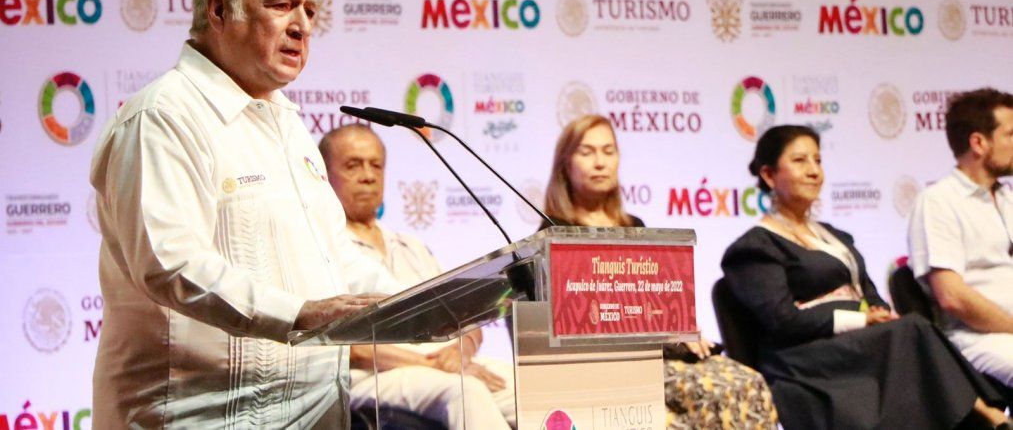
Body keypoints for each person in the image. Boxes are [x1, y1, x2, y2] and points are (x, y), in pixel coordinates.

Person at [89, 0, 403, 429]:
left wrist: (432, 299)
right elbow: (170, 263)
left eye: (310, 11)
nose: (301, 26)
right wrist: (298, 314)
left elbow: (331, 256)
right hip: (199, 417)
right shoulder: (163, 116)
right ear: (218, 9)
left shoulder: (286, 123)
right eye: (281, 5)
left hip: (311, 414)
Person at [722, 124, 1009, 429]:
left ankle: (980, 415)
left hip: (858, 346)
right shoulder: (755, 247)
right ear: (769, 175)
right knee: (911, 330)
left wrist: (878, 311)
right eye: (800, 161)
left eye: (818, 160)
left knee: (905, 332)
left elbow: (866, 290)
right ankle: (986, 414)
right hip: (804, 360)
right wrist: (859, 320)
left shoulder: (833, 236)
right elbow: (782, 320)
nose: (814, 171)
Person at [540, 114, 779, 430]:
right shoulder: (554, 233)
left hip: (659, 354)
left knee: (748, 382)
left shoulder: (634, 226)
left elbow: (658, 300)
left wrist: (681, 327)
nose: (600, 162)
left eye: (608, 151)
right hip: (601, 364)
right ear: (565, 164)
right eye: (587, 152)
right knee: (714, 393)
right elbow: (566, 319)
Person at [319, 124, 517, 429]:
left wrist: (460, 352)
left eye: (376, 165)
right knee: (466, 391)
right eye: (353, 165)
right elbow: (348, 349)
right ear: (323, 175)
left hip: (444, 365)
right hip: (371, 375)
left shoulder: (412, 246)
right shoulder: (322, 249)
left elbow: (465, 320)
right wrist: (434, 365)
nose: (368, 175)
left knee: (524, 385)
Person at [908, 88, 1013, 388]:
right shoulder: (938, 202)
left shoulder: (1007, 198)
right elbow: (952, 297)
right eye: (1010, 135)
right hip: (979, 338)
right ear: (978, 143)